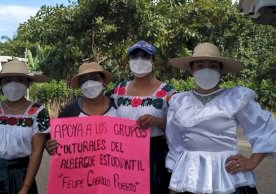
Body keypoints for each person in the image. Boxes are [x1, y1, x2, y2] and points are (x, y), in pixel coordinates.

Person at [166, 42, 276, 194]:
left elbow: (266, 129)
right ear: (192, 70)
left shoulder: (236, 98)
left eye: (213, 66)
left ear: (221, 70)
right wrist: (176, 181)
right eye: (200, 66)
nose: (206, 70)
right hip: (189, 177)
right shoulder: (179, 101)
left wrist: (252, 162)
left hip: (229, 175)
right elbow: (175, 143)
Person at [0, 59, 51, 194]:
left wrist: (25, 187)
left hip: (20, 175)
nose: (14, 85)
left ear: (28, 84)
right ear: (0, 84)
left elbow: (37, 153)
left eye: (19, 80)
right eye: (8, 80)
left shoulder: (38, 111)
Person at [110, 40, 176, 194]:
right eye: (135, 57)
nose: (139, 60)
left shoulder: (168, 92)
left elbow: (178, 126)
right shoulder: (118, 90)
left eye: (145, 56)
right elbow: (104, 117)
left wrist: (158, 121)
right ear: (129, 62)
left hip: (154, 154)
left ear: (154, 62)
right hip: (122, 152)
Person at [45, 61, 117, 155]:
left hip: (112, 168)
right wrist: (49, 145)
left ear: (103, 82)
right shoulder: (70, 111)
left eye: (94, 78)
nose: (89, 83)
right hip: (81, 168)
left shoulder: (117, 107)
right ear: (80, 86)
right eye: (84, 80)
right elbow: (53, 140)